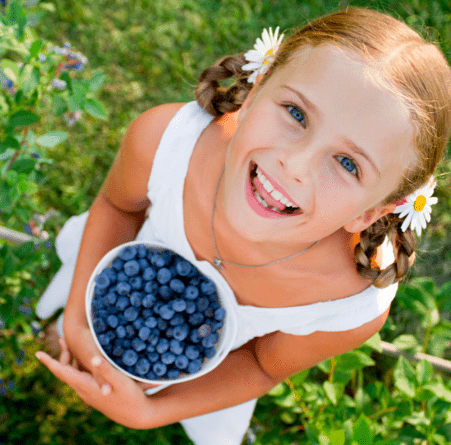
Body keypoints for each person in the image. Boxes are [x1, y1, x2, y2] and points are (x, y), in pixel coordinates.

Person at [35, 7, 451, 445]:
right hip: (114, 279)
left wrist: (150, 410)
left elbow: (259, 365)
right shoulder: (164, 143)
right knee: (70, 331)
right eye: (296, 113)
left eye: (348, 163)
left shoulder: (347, 302)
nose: (295, 165)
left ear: (371, 213)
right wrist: (81, 319)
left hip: (209, 373)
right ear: (253, 93)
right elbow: (118, 210)